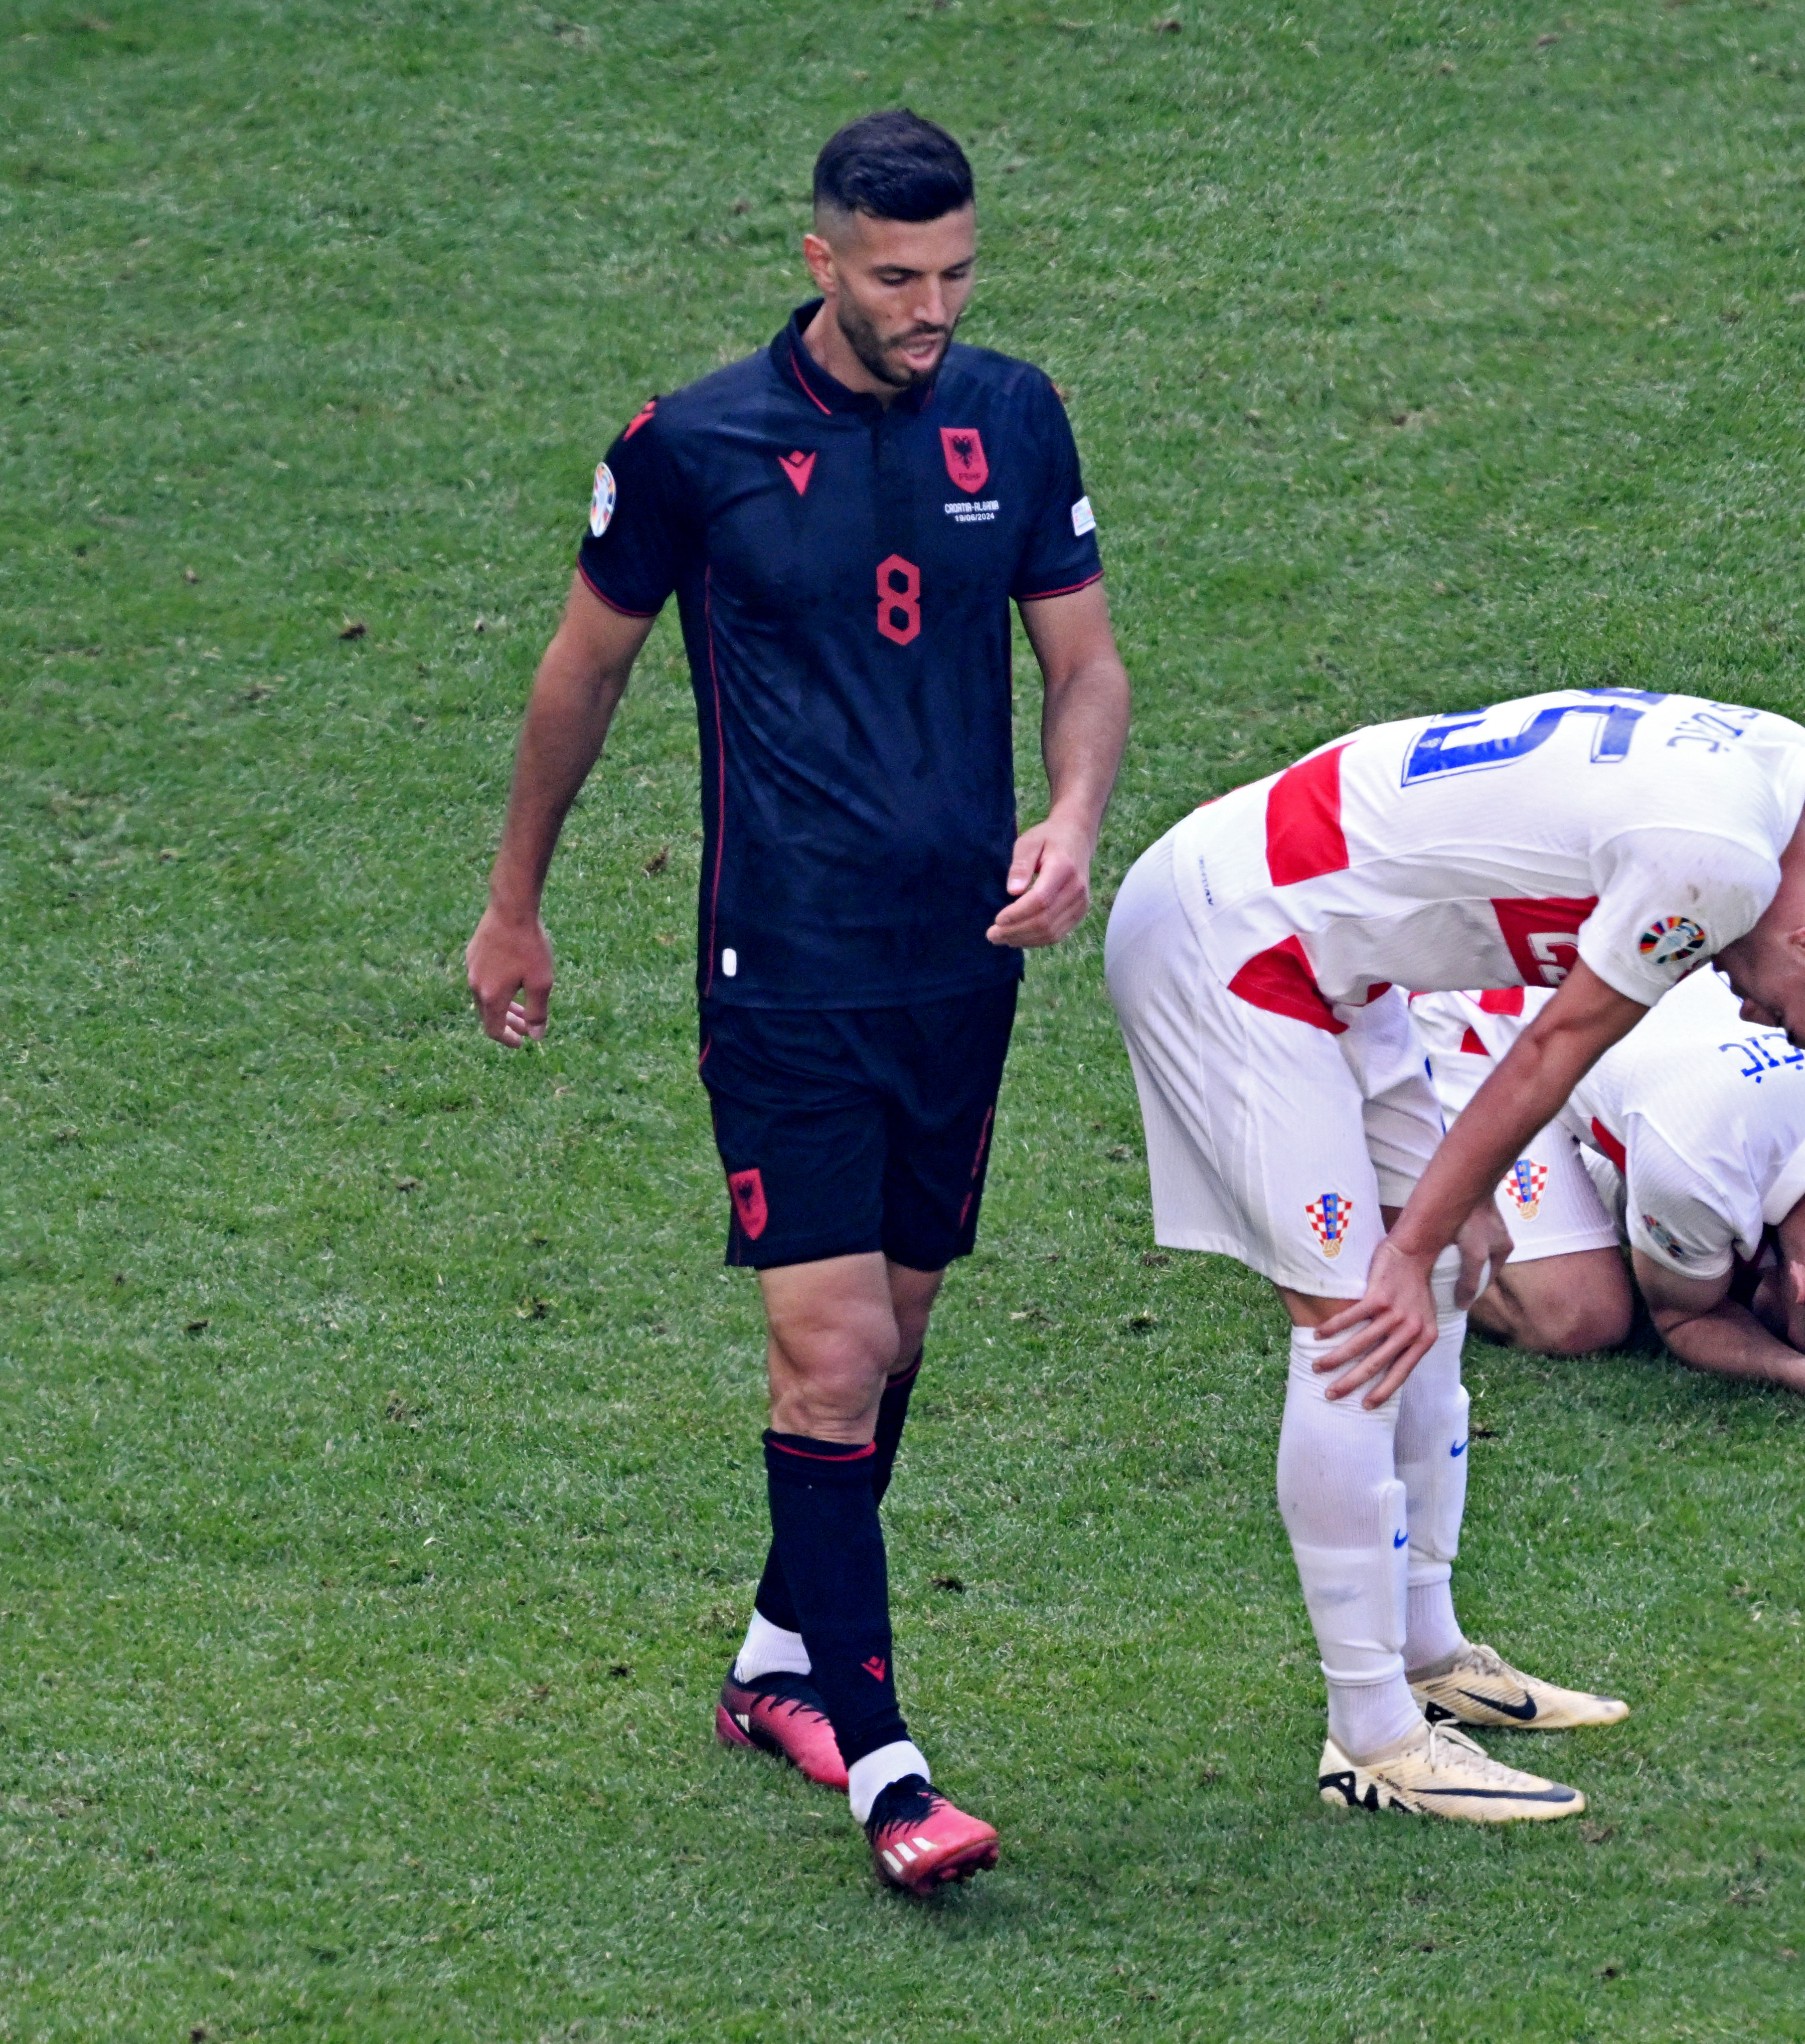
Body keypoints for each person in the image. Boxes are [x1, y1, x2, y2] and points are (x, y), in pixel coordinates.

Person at [463, 111, 1131, 1895]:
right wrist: (515, 903)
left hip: (960, 964)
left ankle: (778, 1659)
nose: (934, 308)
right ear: (820, 259)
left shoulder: (1016, 415)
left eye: (957, 273)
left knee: (891, 1340)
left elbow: (1084, 661)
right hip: (786, 969)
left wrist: (1071, 817)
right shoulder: (694, 446)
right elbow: (579, 676)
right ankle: (890, 1772)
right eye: (899, 277)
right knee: (829, 1360)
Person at [1103, 688, 1805, 1821]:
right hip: (1240, 944)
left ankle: (1428, 1652)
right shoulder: (1714, 869)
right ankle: (1370, 1737)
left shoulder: (1804, 784)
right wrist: (1416, 1235)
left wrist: (1441, 1226)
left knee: (1443, 1281)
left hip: (1336, 947)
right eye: (1790, 1017)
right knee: (1354, 1321)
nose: (1757, 1018)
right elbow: (1553, 1045)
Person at [1408, 971, 1805, 1404]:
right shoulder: (1695, 1164)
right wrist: (1801, 1372)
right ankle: (1398, 1160)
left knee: (1713, 1250)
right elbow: (1683, 1317)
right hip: (1492, 1019)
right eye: (1783, 1315)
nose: (1768, 1311)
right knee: (1575, 1316)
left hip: (1639, 996)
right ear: (1800, 1284)